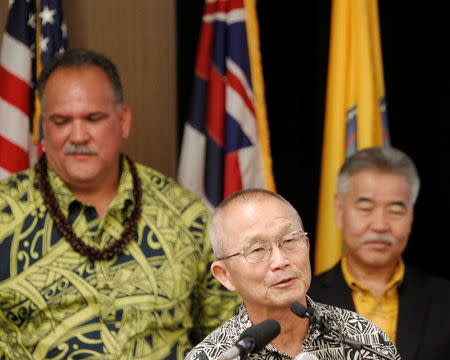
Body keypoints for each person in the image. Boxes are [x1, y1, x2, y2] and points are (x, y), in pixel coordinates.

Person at [0, 48, 239, 360]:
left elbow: (229, 338)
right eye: (61, 121)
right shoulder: (5, 213)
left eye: (93, 118)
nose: (78, 135)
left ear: (123, 121)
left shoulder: (185, 215)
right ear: (44, 126)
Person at [186, 188, 400, 360]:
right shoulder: (216, 355)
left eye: (289, 241)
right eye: (257, 250)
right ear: (225, 275)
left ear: (306, 245)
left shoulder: (363, 338)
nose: (280, 261)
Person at [308, 146, 450, 360]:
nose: (380, 225)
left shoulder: (444, 299)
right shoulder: (305, 303)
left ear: (411, 215)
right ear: (339, 210)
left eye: (395, 211)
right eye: (365, 209)